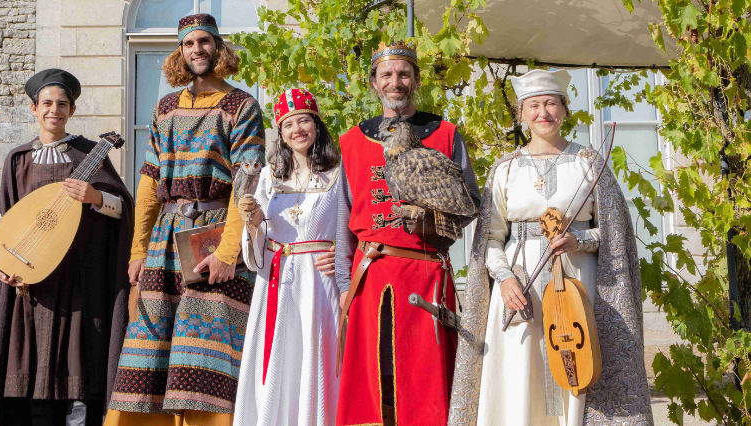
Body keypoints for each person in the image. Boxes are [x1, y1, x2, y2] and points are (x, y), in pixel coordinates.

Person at [447, 69, 654, 426]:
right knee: (521, 372)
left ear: (564, 110)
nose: (543, 112)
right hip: (520, 289)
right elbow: (491, 239)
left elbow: (615, 236)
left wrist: (580, 239)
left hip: (580, 285)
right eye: (534, 105)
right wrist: (504, 279)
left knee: (578, 370)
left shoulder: (590, 163)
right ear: (523, 114)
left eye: (551, 104)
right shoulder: (506, 169)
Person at [104, 13, 265, 426]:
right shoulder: (165, 107)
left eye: (205, 42)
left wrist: (230, 251)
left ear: (218, 47)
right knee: (149, 348)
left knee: (206, 354)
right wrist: (138, 249)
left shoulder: (242, 106)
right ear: (180, 51)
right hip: (165, 239)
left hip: (216, 234)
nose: (198, 50)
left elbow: (246, 184)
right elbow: (149, 180)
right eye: (189, 43)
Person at [0, 68, 135, 426]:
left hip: (77, 284)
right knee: (24, 373)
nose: (53, 110)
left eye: (62, 104)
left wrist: (96, 197)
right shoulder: (18, 159)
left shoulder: (91, 153)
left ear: (72, 111)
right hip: (28, 284)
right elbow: (1, 217)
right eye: (46, 103)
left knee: (76, 378)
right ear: (34, 108)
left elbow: (123, 208)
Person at [335, 41, 481, 426]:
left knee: (429, 385)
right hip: (372, 276)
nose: (395, 82)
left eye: (403, 74)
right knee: (375, 382)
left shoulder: (446, 134)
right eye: (386, 74)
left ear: (415, 80)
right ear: (373, 83)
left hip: (428, 272)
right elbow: (342, 219)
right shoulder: (351, 141)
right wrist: (339, 285)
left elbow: (471, 203)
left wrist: (433, 225)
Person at [233, 88, 342, 426]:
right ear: (279, 134)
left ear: (317, 125)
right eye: (288, 124)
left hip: (320, 285)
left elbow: (352, 225)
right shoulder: (269, 177)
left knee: (315, 360)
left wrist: (343, 254)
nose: (297, 129)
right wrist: (251, 222)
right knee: (280, 361)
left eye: (304, 120)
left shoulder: (339, 174)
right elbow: (259, 240)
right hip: (277, 285)